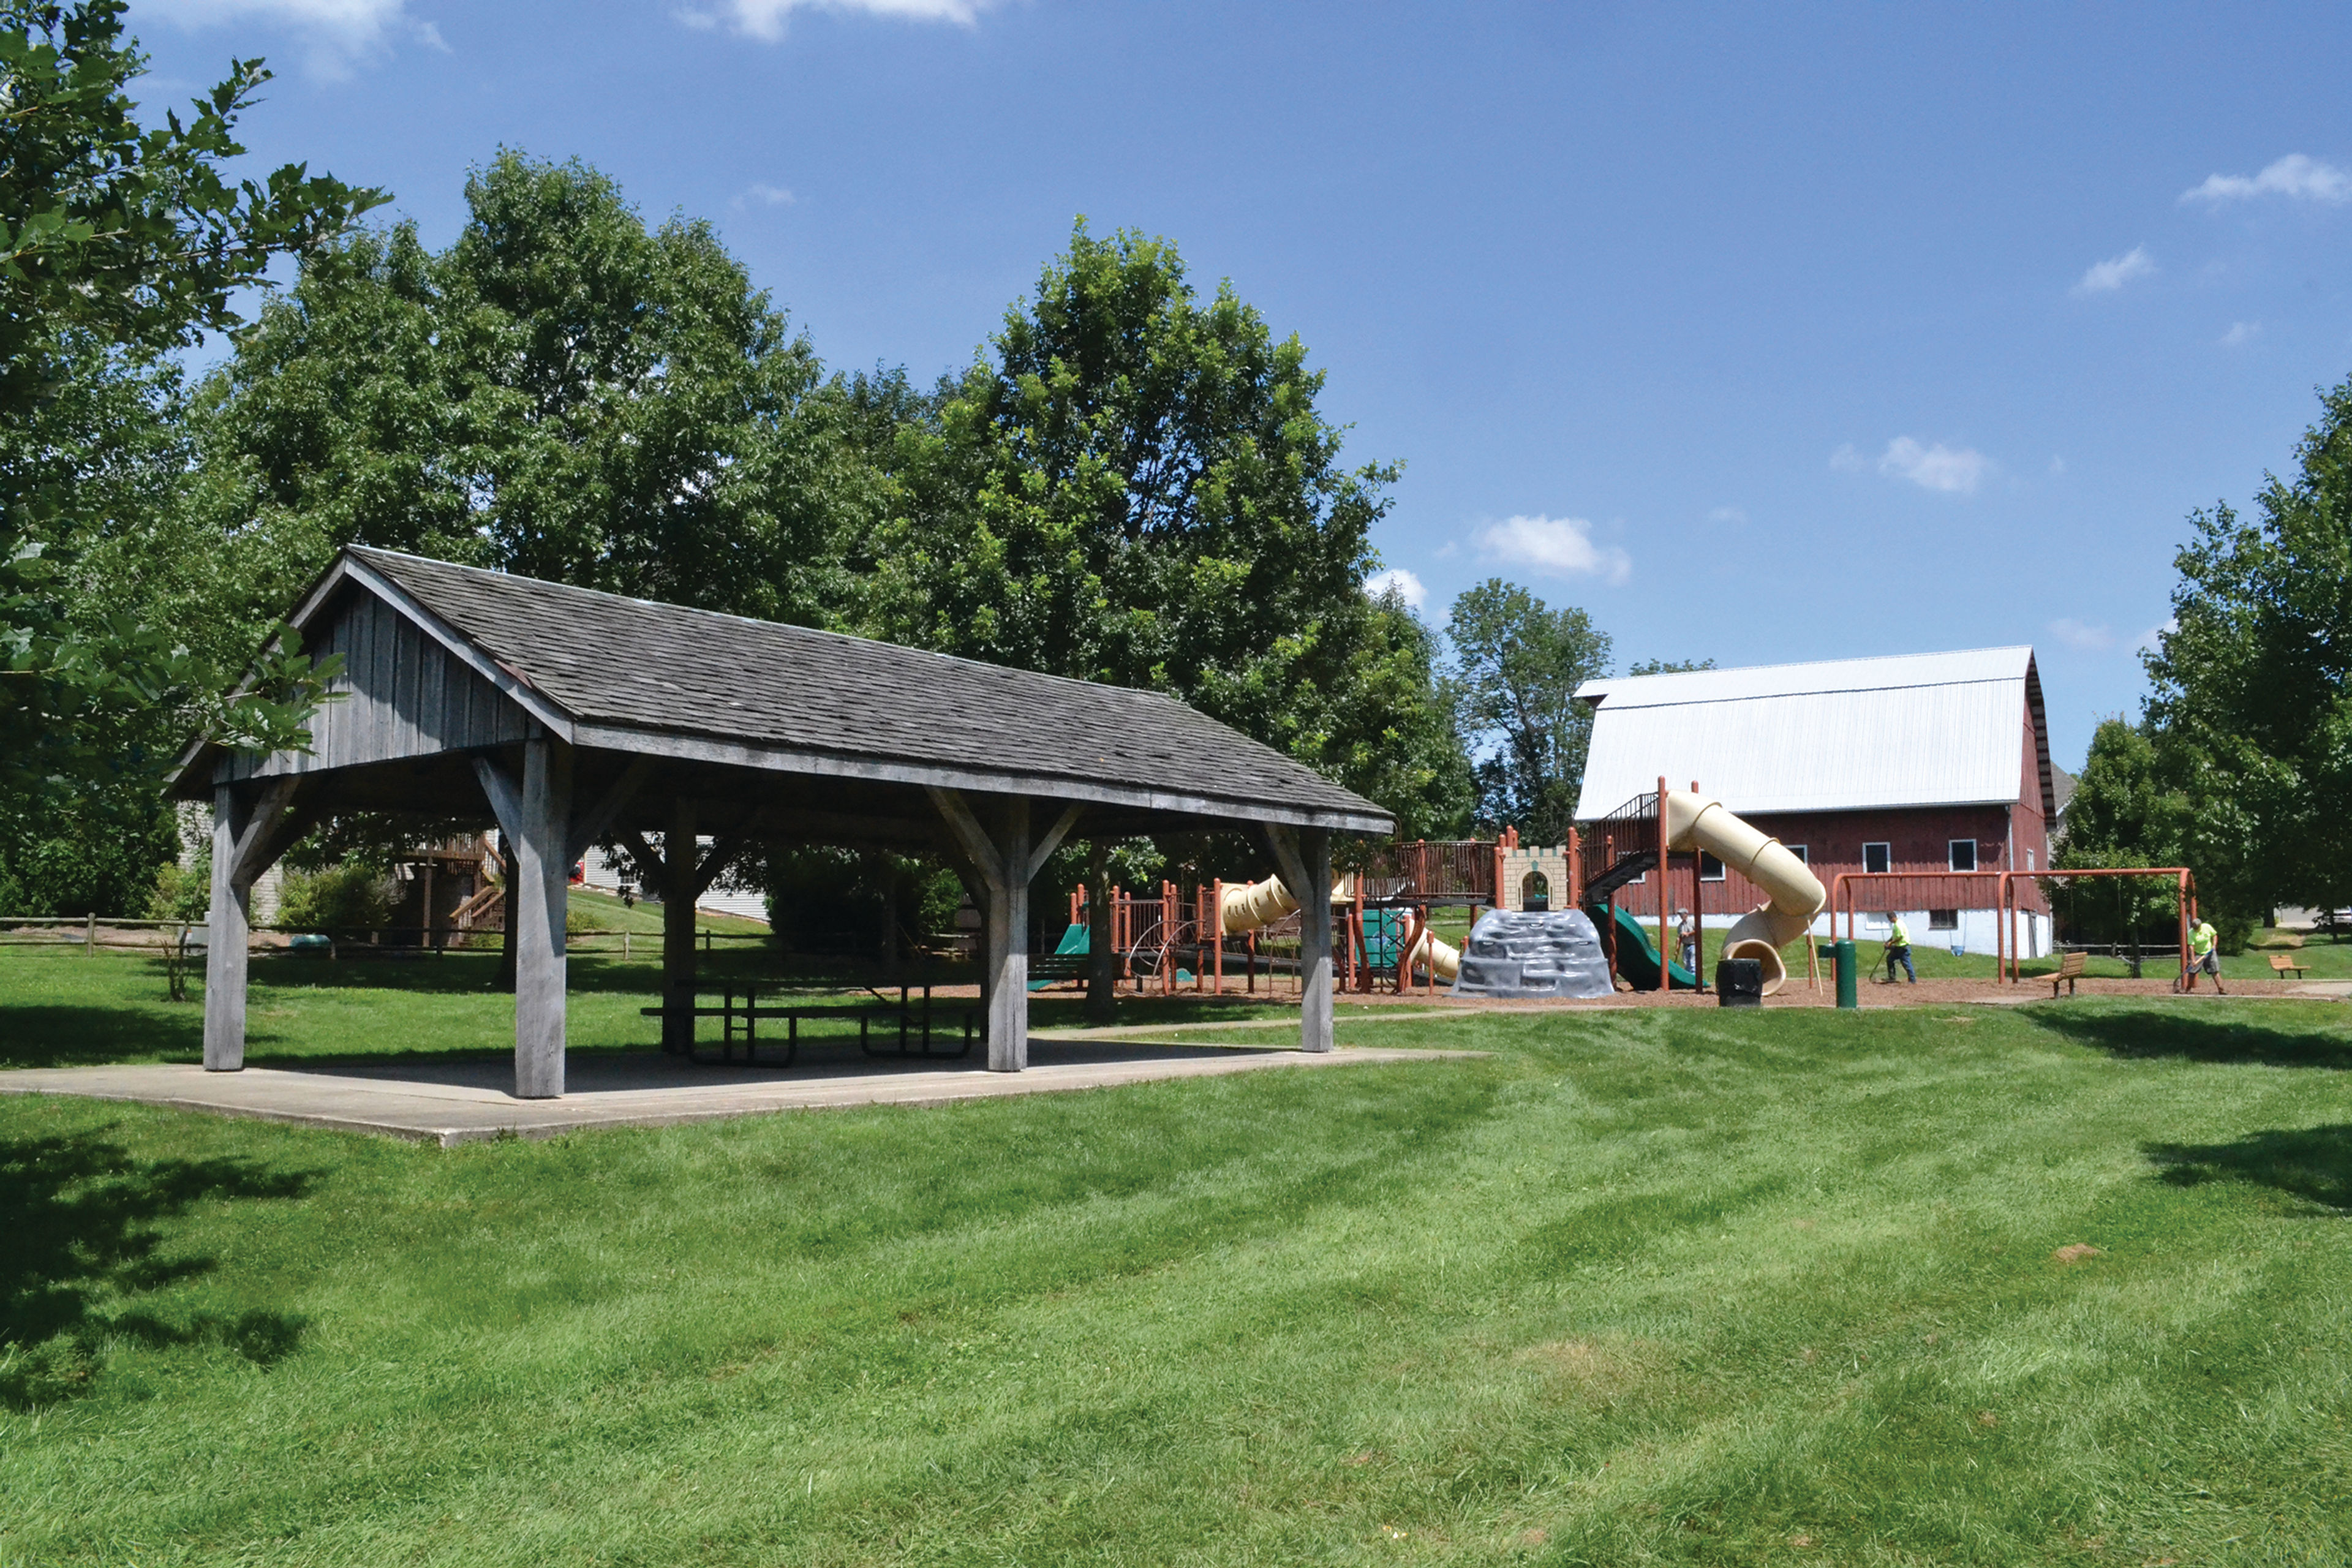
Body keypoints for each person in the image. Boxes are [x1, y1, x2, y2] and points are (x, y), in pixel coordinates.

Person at [2185, 916, 2226, 993]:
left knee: (2215, 971)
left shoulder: (2207, 927)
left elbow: (2214, 935)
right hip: (2198, 954)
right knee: (2192, 972)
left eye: (2197, 928)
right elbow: (2191, 947)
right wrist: (2193, 959)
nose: (2196, 930)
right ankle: (2188, 989)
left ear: (2200, 926)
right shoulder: (2191, 933)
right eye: (2195, 929)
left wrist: (2214, 946)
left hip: (2210, 952)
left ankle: (2221, 989)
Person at [1882, 913, 1915, 983]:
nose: (1889, 921)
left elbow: (1900, 937)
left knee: (1906, 963)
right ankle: (1892, 977)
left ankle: (1912, 980)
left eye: (1889, 919)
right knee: (1890, 959)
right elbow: (1895, 936)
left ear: (1892, 918)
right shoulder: (1898, 924)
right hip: (1898, 947)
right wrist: (1888, 942)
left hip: (1903, 947)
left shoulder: (1898, 925)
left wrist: (1891, 943)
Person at [1675, 908, 1697, 981]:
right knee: (1686, 963)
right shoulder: (1680, 926)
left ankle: (1694, 979)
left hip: (1693, 945)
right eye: (1680, 915)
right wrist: (1677, 949)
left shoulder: (1692, 922)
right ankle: (1688, 979)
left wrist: (1688, 934)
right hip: (1685, 945)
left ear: (1686, 914)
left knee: (1692, 963)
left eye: (1682, 914)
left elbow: (1697, 930)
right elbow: (1679, 938)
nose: (1681, 916)